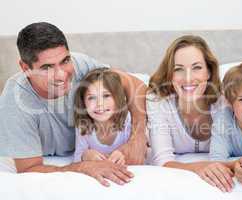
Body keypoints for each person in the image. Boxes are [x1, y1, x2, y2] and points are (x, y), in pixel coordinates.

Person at [0, 22, 147, 187]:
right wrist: (83, 166)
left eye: (65, 61)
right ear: (25, 68)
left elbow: (135, 84)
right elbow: (29, 169)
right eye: (47, 67)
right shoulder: (15, 102)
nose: (61, 75)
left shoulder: (79, 64)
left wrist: (138, 137)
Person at [146, 35, 234, 192]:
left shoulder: (224, 100)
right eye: (178, 69)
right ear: (170, 75)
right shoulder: (158, 101)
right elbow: (163, 163)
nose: (188, 78)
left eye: (197, 67)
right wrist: (198, 167)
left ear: (208, 72)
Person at [73, 68, 131, 165]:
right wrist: (85, 155)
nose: (100, 104)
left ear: (118, 97)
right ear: (83, 103)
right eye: (92, 97)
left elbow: (144, 151)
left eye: (106, 96)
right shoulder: (83, 125)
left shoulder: (128, 120)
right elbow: (77, 157)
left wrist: (126, 155)